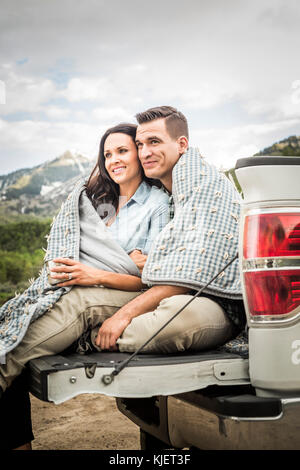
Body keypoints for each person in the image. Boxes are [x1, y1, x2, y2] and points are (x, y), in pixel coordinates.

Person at [0, 106, 246, 449]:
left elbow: (185, 270)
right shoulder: (106, 199)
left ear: (182, 144)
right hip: (118, 290)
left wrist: (126, 291)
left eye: (151, 143)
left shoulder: (184, 192)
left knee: (84, 307)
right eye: (140, 144)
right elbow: (166, 261)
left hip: (181, 298)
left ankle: (35, 351)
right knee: (42, 313)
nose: (145, 152)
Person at [0, 122, 169, 449]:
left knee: (11, 354)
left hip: (114, 293)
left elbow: (149, 279)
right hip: (81, 285)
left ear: (140, 153)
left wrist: (96, 273)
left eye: (122, 150)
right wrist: (101, 264)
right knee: (13, 329)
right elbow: (76, 249)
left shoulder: (157, 204)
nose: (114, 160)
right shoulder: (100, 201)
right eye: (107, 154)